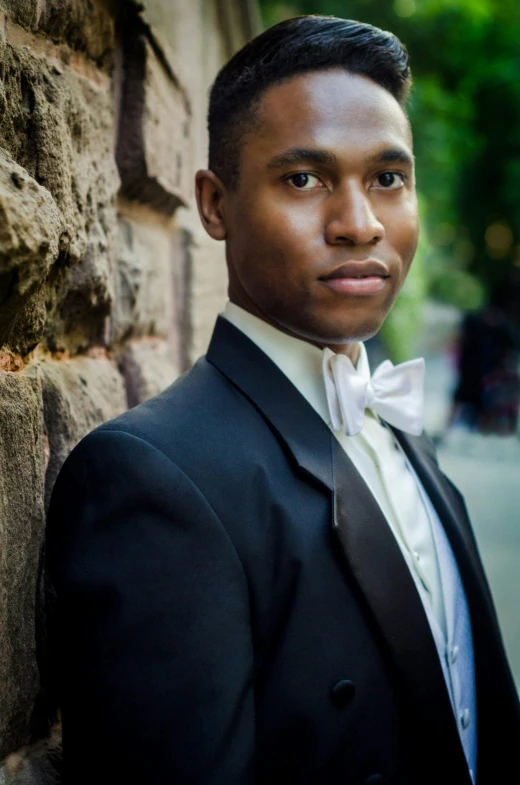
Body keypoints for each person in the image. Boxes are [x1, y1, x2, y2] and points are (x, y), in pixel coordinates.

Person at [45, 16, 520, 785]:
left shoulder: (396, 420)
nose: (359, 224)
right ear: (215, 202)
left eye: (388, 179)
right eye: (305, 178)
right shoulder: (152, 480)